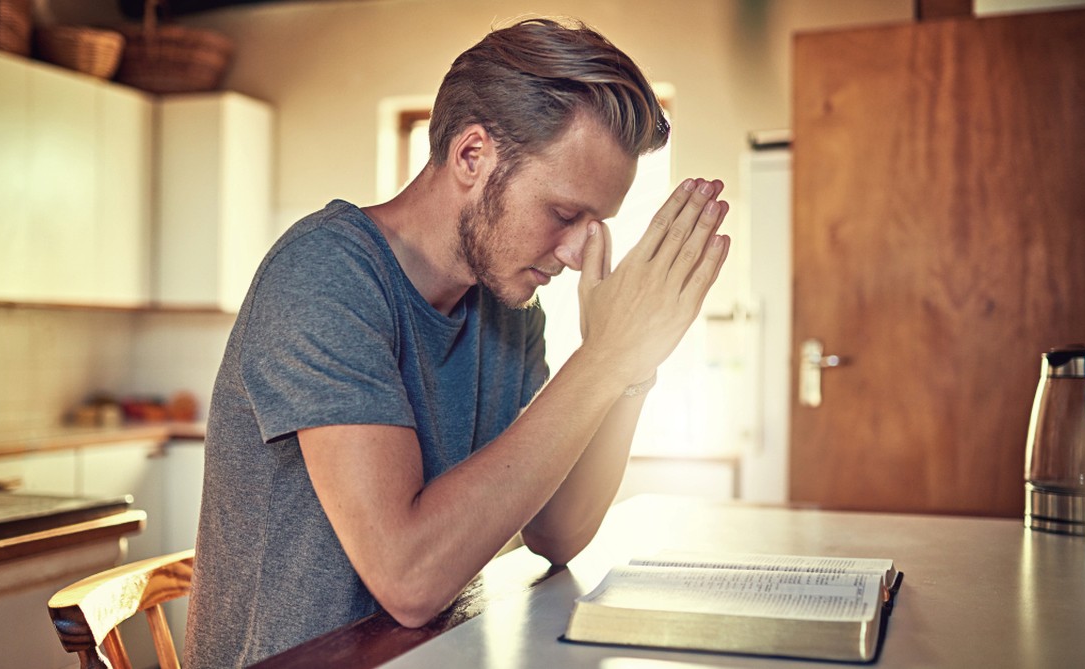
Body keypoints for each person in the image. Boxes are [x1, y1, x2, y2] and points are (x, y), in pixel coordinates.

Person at [183, 16, 730, 668]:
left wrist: (631, 367)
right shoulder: (325, 275)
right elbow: (409, 577)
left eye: (596, 223)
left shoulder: (509, 310)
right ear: (473, 155)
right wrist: (602, 358)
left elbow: (556, 532)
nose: (582, 250)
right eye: (563, 213)